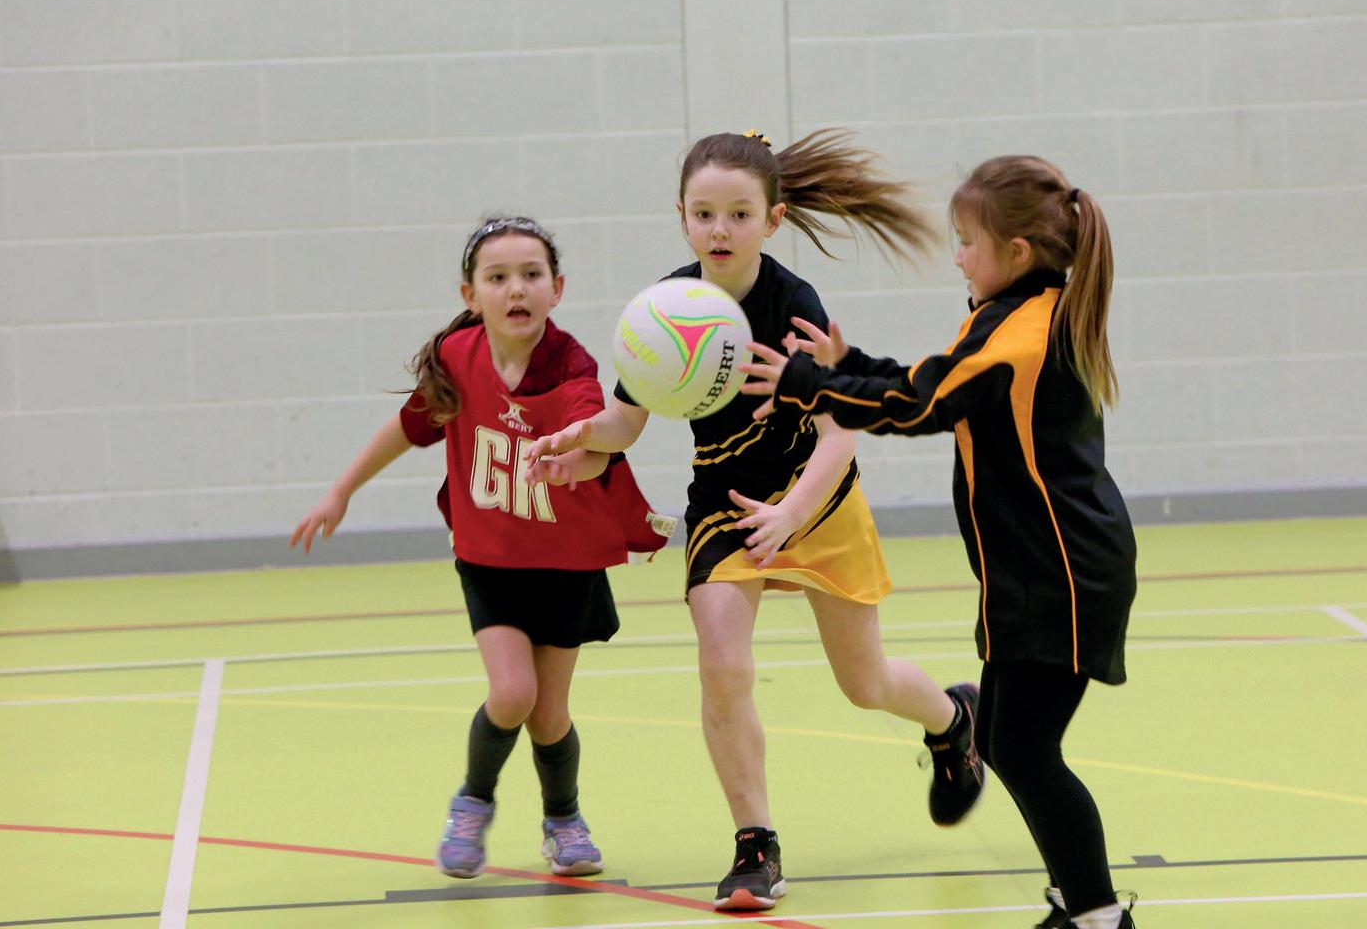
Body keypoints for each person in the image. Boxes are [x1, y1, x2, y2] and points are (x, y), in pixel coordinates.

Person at [524, 129, 985, 912]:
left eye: (739, 214)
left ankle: (954, 721)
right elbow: (625, 423)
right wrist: (581, 443)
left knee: (865, 683)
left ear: (772, 220)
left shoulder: (794, 306)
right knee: (723, 666)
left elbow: (841, 433)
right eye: (703, 213)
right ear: (681, 216)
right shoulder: (665, 309)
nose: (719, 229)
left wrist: (792, 512)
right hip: (727, 507)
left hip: (815, 499)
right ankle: (755, 845)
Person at [740, 156, 1140, 929]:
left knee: (1024, 749)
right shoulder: (1016, 311)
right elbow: (933, 379)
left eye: (966, 241)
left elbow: (921, 405)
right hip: (1037, 570)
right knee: (1004, 737)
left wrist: (808, 384)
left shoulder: (1020, 337)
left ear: (1015, 252)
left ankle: (1097, 917)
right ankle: (1077, 903)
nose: (957, 256)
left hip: (1062, 575)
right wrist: (847, 368)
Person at [290, 216, 673, 882]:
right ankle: (472, 803)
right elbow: (407, 427)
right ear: (471, 294)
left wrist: (573, 461)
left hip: (568, 563)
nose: (516, 288)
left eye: (531, 275)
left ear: (557, 288)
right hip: (490, 558)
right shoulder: (458, 357)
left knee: (549, 715)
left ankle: (563, 820)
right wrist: (341, 491)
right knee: (513, 692)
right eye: (498, 277)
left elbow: (598, 442)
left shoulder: (571, 366)